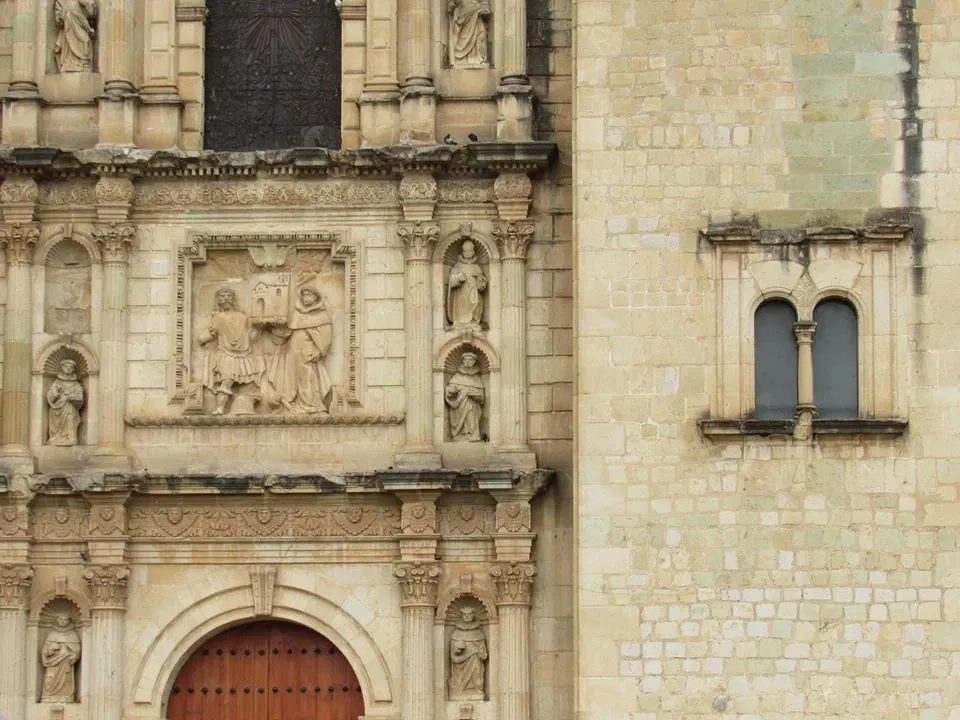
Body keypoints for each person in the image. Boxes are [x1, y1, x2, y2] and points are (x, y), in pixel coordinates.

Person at [199, 287, 263, 415]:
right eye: (223, 296)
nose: (226, 299)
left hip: (242, 355)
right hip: (230, 355)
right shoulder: (221, 318)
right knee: (227, 382)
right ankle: (221, 408)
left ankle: (226, 408)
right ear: (219, 301)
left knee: (241, 385)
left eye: (227, 296)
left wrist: (260, 327)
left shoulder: (239, 317)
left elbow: (251, 337)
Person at [41, 614, 81, 702]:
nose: (63, 621)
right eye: (60, 619)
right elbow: (45, 650)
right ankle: (48, 695)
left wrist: (73, 655)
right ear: (57, 620)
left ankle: (66, 696)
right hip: (52, 663)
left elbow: (77, 650)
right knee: (49, 678)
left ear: (69, 621)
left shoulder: (72, 635)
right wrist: (51, 649)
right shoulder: (52, 634)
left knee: (65, 679)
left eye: (65, 619)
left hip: (66, 661)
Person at [446, 240, 487, 327]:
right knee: (462, 307)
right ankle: (461, 322)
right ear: (463, 252)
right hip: (462, 294)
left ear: (473, 252)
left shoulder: (476, 267)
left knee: (475, 304)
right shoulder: (458, 266)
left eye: (470, 251)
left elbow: (482, 283)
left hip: (474, 292)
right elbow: (451, 281)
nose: (467, 253)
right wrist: (458, 278)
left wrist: (480, 280)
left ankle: (474, 321)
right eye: (465, 251)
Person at [445, 353, 485, 441]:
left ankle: (472, 434)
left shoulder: (477, 378)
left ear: (474, 362)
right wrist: (452, 391)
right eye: (466, 360)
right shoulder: (457, 376)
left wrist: (474, 394)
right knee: (464, 418)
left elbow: (482, 398)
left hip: (473, 405)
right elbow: (450, 391)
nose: (467, 362)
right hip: (460, 405)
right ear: (462, 361)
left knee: (471, 417)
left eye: (470, 360)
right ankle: (460, 434)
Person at [448, 607, 487, 697]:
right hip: (460, 666)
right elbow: (453, 656)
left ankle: (477, 689)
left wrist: (481, 652)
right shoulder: (456, 633)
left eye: (469, 614)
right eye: (465, 614)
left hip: (475, 662)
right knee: (459, 679)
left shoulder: (479, 633)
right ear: (461, 616)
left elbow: (483, 653)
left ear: (473, 615)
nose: (467, 616)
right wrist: (458, 650)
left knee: (477, 675)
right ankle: (459, 690)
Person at [46, 359, 84, 446]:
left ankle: (71, 437)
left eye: (71, 367)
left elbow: (80, 397)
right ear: (62, 367)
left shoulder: (76, 384)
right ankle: (56, 436)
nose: (68, 368)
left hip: (69, 408)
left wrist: (69, 397)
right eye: (66, 366)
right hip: (56, 409)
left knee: (70, 418)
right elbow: (50, 397)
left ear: (74, 369)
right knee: (56, 424)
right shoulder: (56, 383)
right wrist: (56, 394)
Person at [54, 0, 97, 72]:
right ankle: (69, 62)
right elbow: (58, 18)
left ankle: (84, 61)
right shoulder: (61, 1)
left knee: (85, 40)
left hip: (82, 25)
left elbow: (92, 14)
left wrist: (85, 4)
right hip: (68, 29)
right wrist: (60, 18)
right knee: (68, 15)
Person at [448, 0, 491, 66]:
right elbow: (452, 4)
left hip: (476, 15)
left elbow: (485, 5)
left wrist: (482, 8)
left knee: (481, 34)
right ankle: (466, 59)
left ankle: (478, 57)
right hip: (462, 14)